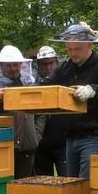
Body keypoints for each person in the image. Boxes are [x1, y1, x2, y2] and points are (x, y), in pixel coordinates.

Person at [42, 22, 98, 178]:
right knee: (72, 186)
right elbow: (46, 85)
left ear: (89, 45)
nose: (73, 53)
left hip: (94, 136)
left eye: (77, 49)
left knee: (86, 183)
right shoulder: (65, 67)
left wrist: (91, 90)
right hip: (70, 137)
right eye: (69, 49)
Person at [0, 45, 40, 178]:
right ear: (1, 66)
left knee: (24, 188)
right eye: (8, 65)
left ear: (21, 64)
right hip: (2, 146)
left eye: (15, 64)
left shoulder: (29, 85)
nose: (13, 68)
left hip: (27, 147)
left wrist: (36, 135)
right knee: (3, 188)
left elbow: (41, 112)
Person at [32, 46, 67, 176]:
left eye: (51, 63)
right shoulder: (33, 86)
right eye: (44, 64)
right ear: (38, 66)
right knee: (44, 186)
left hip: (63, 142)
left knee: (67, 181)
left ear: (57, 63)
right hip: (41, 145)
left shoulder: (65, 85)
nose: (48, 67)